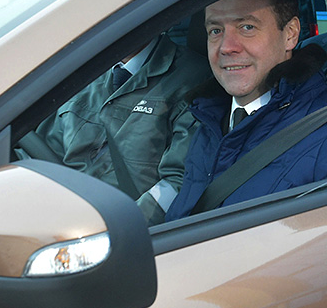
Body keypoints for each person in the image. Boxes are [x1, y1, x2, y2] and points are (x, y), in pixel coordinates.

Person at [164, 0, 327, 221]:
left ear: (290, 34)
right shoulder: (209, 121)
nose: (226, 47)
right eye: (215, 30)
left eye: (247, 27)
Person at [18, 32, 212, 224]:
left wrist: (113, 227)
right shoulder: (81, 72)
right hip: (56, 214)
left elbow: (179, 182)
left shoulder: (192, 77)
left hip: (123, 229)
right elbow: (38, 149)